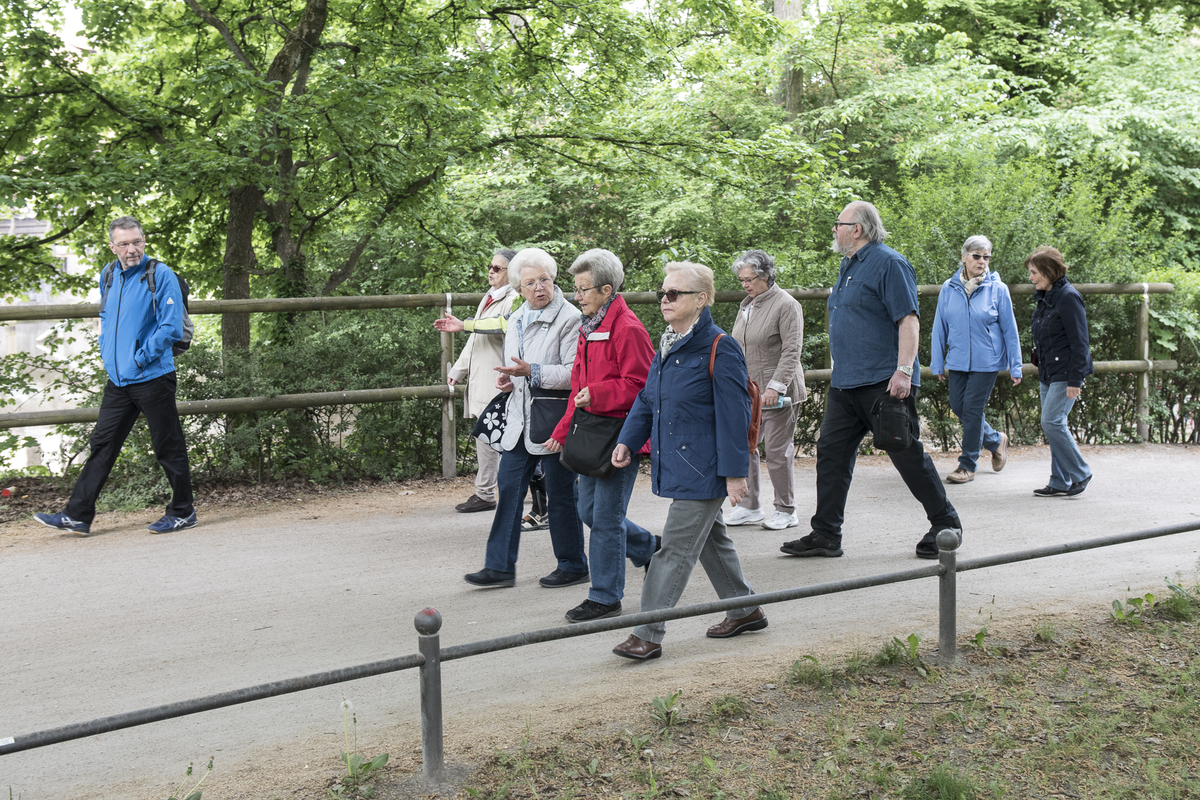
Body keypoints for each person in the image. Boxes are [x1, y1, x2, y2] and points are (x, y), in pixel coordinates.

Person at [780, 201, 961, 561]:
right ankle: (826, 534)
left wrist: (904, 371)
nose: (834, 229)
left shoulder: (889, 263)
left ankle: (946, 523)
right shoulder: (847, 266)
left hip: (883, 381)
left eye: (839, 223)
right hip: (845, 384)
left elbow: (908, 320)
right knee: (830, 453)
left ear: (857, 229)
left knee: (905, 452)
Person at [610, 262, 765, 661]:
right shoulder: (667, 345)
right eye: (663, 293)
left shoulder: (719, 346)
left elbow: (735, 415)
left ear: (701, 300)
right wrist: (628, 440)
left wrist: (735, 474)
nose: (665, 299)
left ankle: (647, 633)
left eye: (674, 293)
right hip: (680, 464)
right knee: (711, 540)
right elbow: (648, 400)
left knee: (674, 549)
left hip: (707, 467)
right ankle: (745, 609)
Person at [35, 216, 197, 535]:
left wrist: (139, 358)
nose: (131, 249)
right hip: (119, 381)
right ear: (113, 247)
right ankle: (78, 514)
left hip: (152, 376)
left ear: (144, 241)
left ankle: (183, 511)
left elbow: (170, 327)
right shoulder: (108, 275)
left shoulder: (160, 275)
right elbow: (107, 319)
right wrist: (107, 354)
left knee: (168, 444)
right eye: (123, 244)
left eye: (136, 241)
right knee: (103, 444)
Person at [461, 248, 589, 588]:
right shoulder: (516, 318)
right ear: (518, 287)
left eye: (544, 280)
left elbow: (572, 374)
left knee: (561, 493)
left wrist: (530, 371)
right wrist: (510, 380)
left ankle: (574, 563)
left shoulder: (571, 318)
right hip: (518, 420)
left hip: (554, 421)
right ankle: (500, 567)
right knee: (508, 486)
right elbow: (516, 367)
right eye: (530, 283)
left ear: (553, 280)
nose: (538, 288)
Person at [545, 249, 658, 623]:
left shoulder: (628, 328)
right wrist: (562, 431)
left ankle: (605, 596)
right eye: (575, 289)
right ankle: (649, 547)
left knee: (606, 518)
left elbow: (643, 386)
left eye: (583, 290)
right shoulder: (589, 325)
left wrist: (599, 393)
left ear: (606, 289)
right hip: (590, 433)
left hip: (621, 435)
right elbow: (579, 384)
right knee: (588, 510)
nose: (577, 297)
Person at [725, 249, 807, 530]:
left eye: (751, 279)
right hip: (750, 391)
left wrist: (777, 386)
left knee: (776, 450)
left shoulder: (786, 304)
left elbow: (792, 349)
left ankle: (786, 510)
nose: (746, 284)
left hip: (778, 392)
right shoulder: (747, 305)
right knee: (745, 447)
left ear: (767, 276)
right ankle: (749, 507)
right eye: (742, 280)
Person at [930, 236, 1023, 484]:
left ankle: (967, 465)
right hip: (958, 359)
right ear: (964, 257)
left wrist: (1015, 365)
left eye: (986, 257)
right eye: (976, 256)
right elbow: (939, 328)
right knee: (959, 407)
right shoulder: (948, 289)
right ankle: (995, 440)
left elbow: (1010, 330)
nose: (982, 261)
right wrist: (937, 363)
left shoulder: (998, 289)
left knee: (972, 409)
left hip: (987, 360)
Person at [438, 249, 518, 513]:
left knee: (502, 436)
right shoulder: (489, 296)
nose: (491, 271)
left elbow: (500, 326)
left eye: (498, 268)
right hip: (483, 377)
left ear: (513, 272)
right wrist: (459, 368)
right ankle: (486, 492)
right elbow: (475, 337)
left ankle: (488, 492)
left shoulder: (515, 298)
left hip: (500, 379)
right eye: (490, 266)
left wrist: (466, 325)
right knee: (487, 435)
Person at [1027, 247, 1094, 497]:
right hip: (1049, 371)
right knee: (1054, 425)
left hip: (1066, 372)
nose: (1031, 277)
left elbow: (1080, 342)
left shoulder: (1068, 297)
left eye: (1034, 272)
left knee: (1051, 421)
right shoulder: (1046, 296)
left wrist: (1076, 379)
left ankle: (1081, 472)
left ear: (1048, 271)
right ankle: (1059, 481)